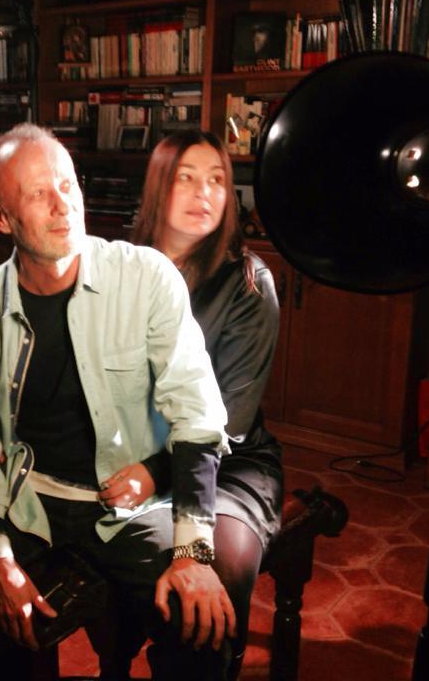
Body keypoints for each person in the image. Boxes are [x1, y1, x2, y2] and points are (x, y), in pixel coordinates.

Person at [0, 123, 234, 681]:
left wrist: (194, 552)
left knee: (197, 619)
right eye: (38, 193)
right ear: (0, 217)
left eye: (67, 184)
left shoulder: (146, 277)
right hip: (24, 501)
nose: (64, 206)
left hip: (126, 511)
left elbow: (197, 415)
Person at [96, 129, 283, 680]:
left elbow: (232, 421)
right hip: (131, 454)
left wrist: (154, 474)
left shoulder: (248, 283)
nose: (206, 193)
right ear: (158, 187)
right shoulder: (116, 270)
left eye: (218, 180)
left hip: (229, 466)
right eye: (187, 178)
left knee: (213, 579)